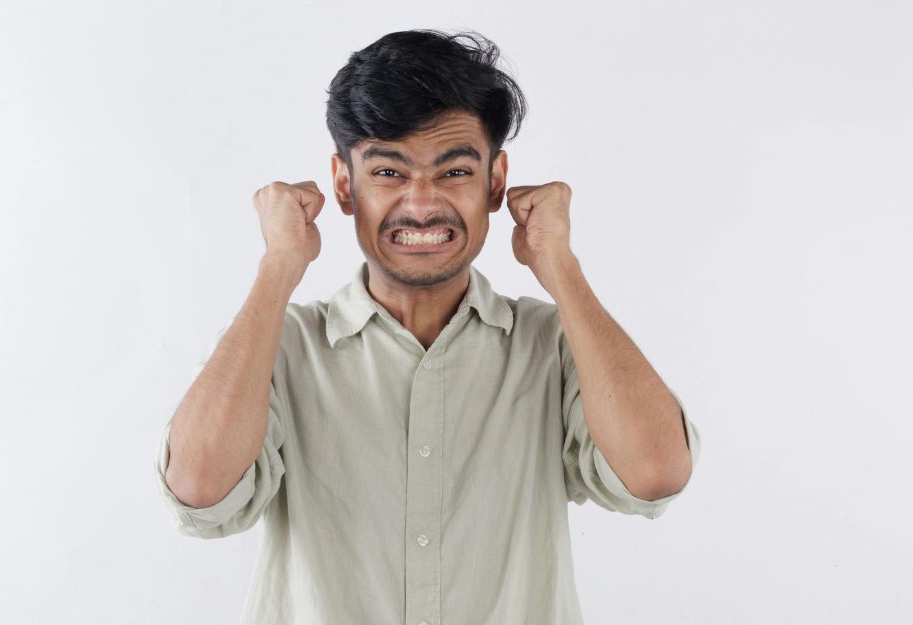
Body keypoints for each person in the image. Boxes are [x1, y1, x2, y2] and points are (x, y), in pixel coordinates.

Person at [152, 29, 702, 625]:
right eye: (388, 171)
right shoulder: (279, 346)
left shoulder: (554, 343)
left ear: (495, 182)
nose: (421, 204)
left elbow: (655, 474)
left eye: (454, 171)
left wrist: (560, 268)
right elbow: (200, 492)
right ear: (343, 184)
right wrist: (279, 266)